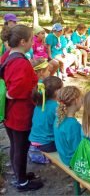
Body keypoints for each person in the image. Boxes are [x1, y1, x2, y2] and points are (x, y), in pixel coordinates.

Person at [0, 25, 43, 191]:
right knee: (21, 148)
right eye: (31, 39)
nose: (33, 42)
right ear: (23, 41)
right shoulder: (21, 63)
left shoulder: (8, 55)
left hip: (10, 113)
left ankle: (20, 175)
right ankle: (22, 183)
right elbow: (19, 88)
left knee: (15, 146)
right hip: (20, 114)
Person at [28, 76, 63, 164]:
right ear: (56, 92)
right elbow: (62, 127)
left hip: (34, 140)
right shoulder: (56, 107)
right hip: (47, 144)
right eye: (62, 88)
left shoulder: (39, 103)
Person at [54, 86, 82, 166]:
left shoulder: (58, 118)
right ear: (76, 101)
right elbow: (78, 149)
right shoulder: (73, 125)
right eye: (81, 99)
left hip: (64, 156)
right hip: (72, 161)